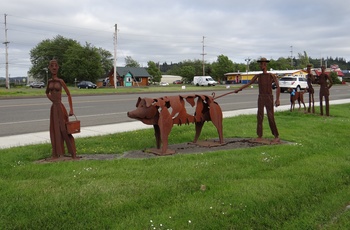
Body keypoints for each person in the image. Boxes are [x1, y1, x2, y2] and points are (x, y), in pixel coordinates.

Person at [234, 57, 280, 144]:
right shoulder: (258, 76)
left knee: (270, 117)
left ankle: (276, 136)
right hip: (261, 97)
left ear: (265, 65)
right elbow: (249, 83)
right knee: (260, 116)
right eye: (260, 64)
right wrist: (239, 89)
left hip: (269, 97)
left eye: (262, 64)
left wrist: (277, 99)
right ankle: (259, 135)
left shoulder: (271, 76)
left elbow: (278, 87)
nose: (260, 65)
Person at [46, 59, 77, 158]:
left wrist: (71, 109)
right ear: (49, 68)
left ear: (58, 67)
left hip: (60, 107)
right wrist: (51, 99)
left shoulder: (60, 81)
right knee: (54, 130)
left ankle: (73, 153)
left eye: (56, 65)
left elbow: (68, 94)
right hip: (53, 108)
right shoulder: (49, 81)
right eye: (52, 66)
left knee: (64, 130)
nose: (54, 67)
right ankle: (56, 153)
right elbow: (47, 92)